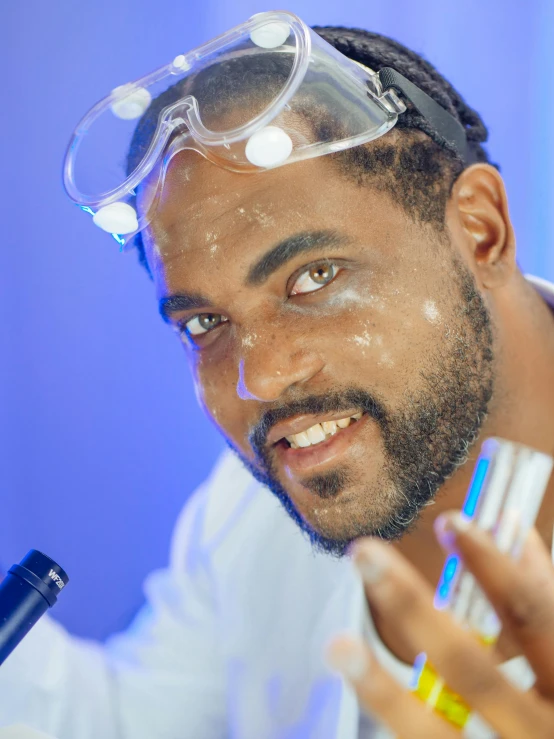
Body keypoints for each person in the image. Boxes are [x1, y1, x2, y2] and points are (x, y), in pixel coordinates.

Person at [2, 14, 554, 738]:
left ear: (481, 231)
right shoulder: (252, 514)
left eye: (314, 276)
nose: (259, 377)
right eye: (203, 324)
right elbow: (134, 721)